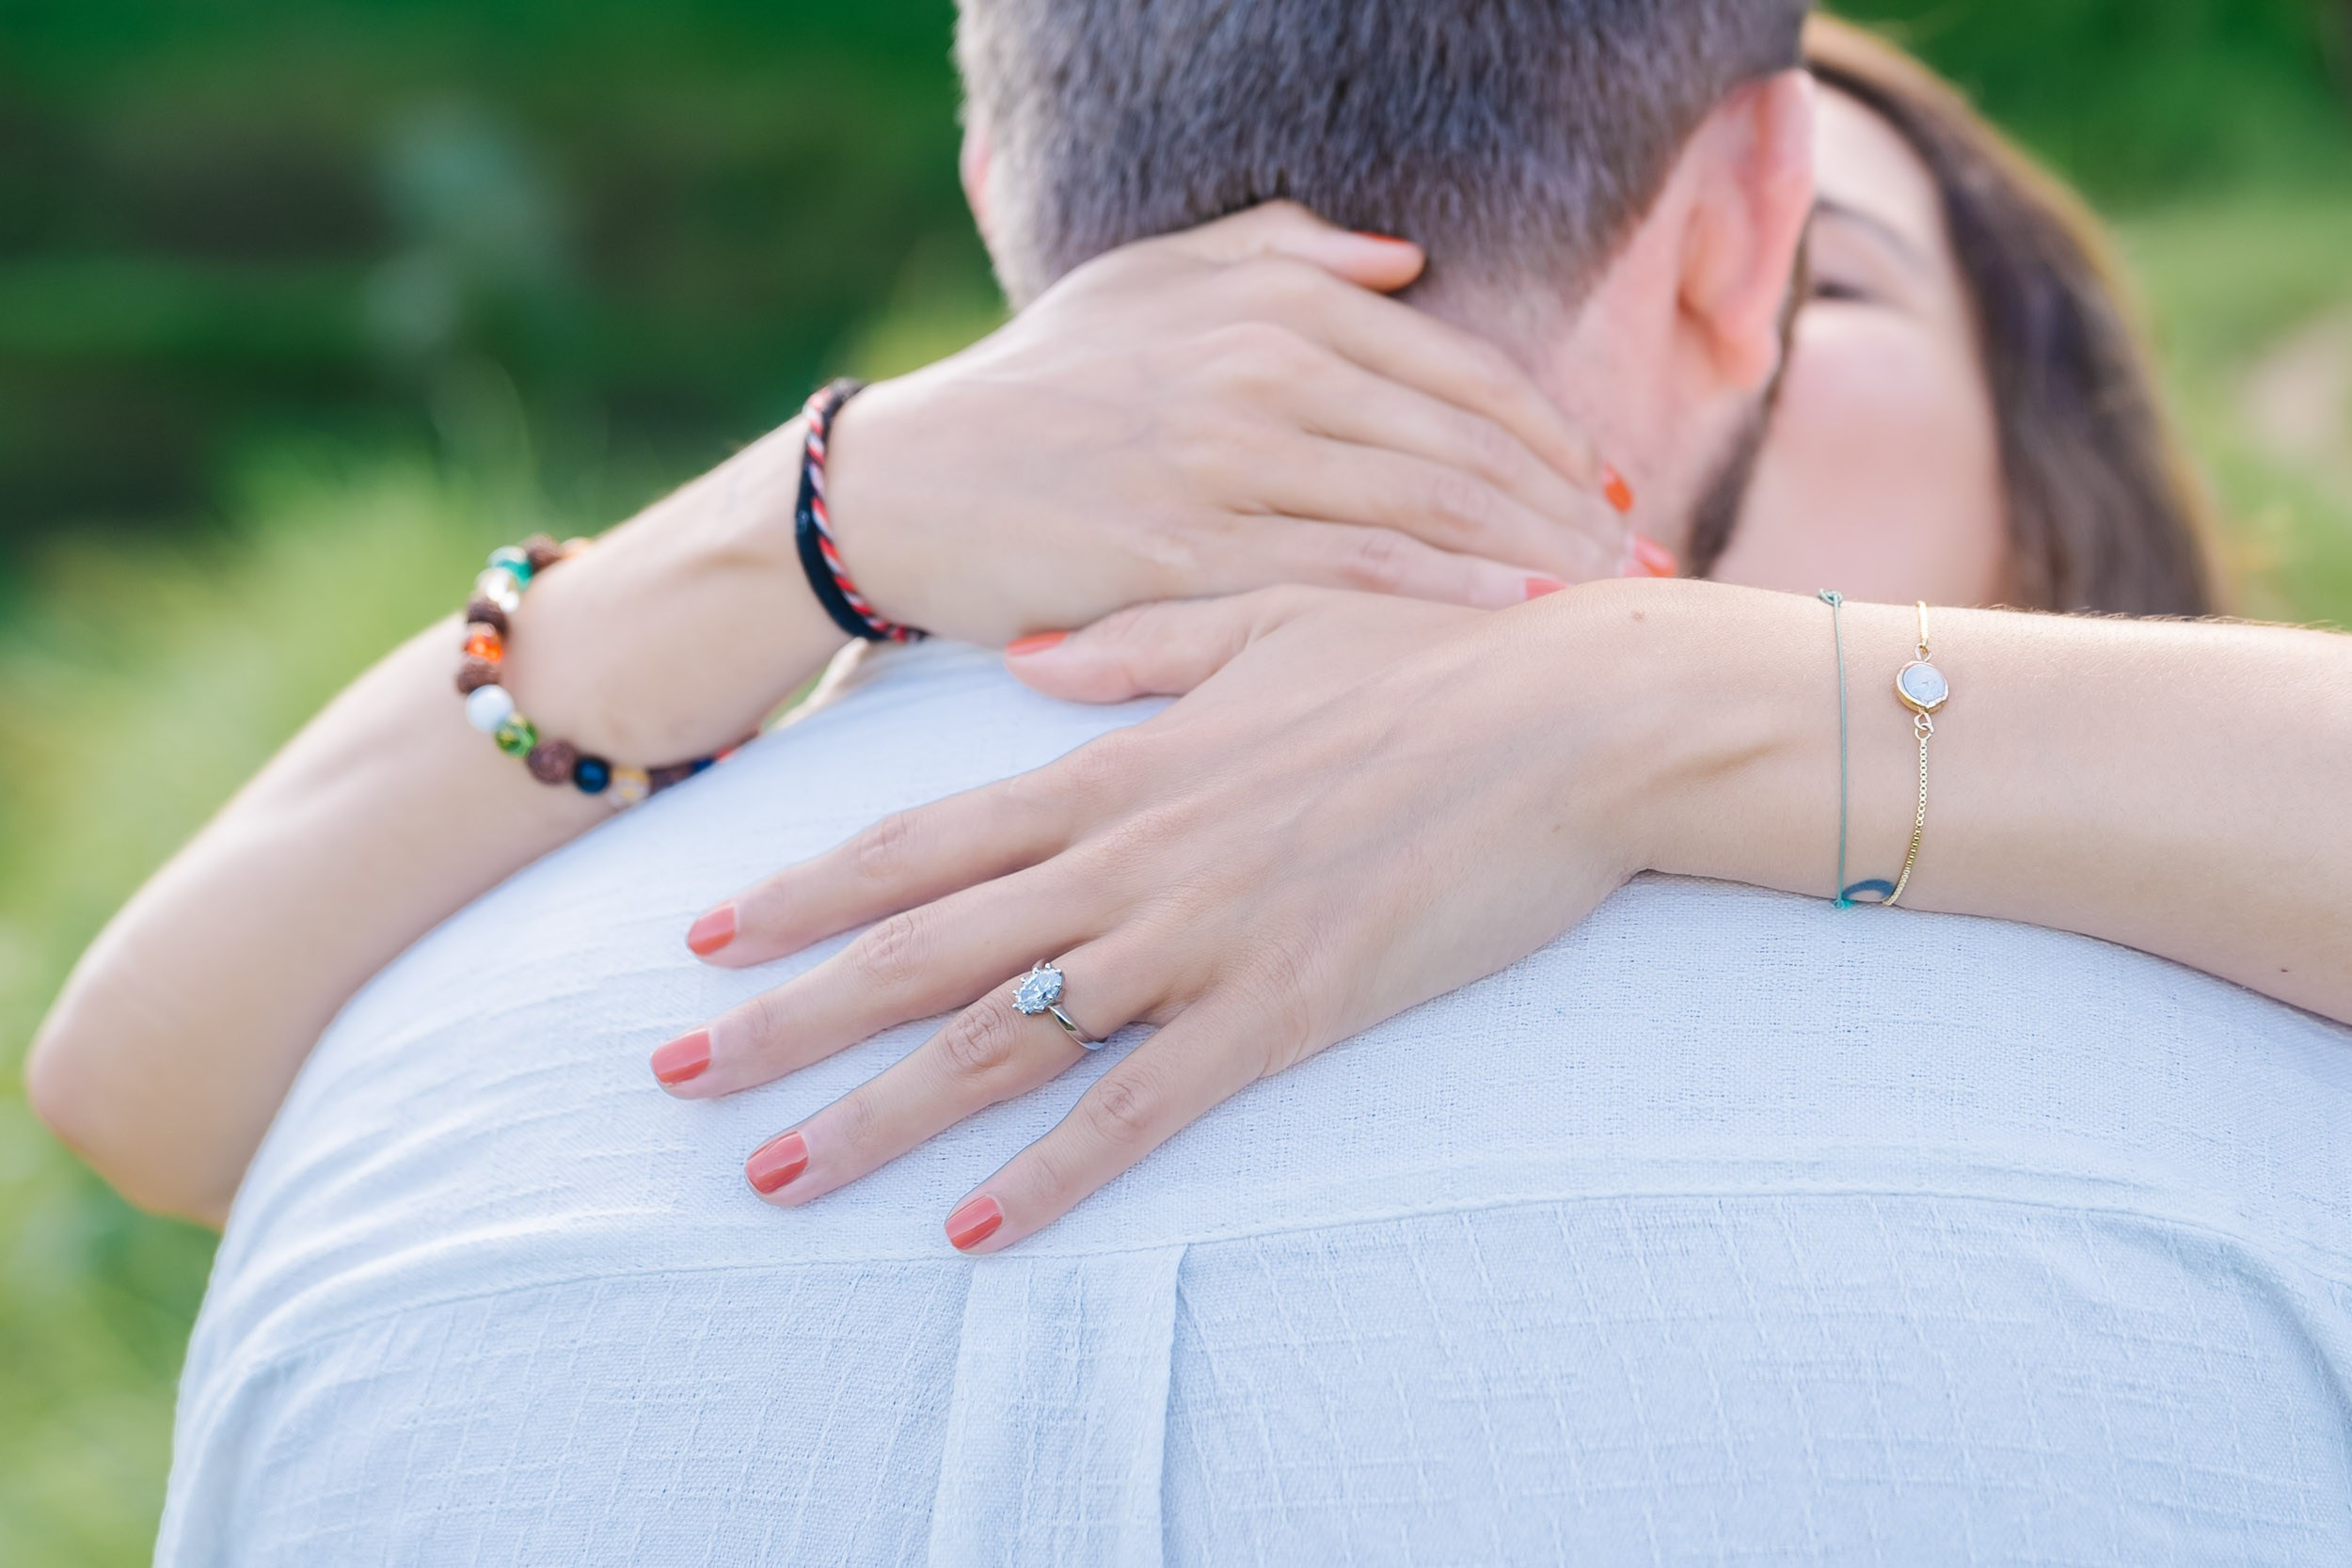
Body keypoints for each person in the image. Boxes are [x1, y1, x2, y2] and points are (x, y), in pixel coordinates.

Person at [29, 5, 2348, 1560]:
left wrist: (1654, 705)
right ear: (1722, 236)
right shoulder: (2228, 1129)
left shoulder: (418, 1124)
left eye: (1870, 292)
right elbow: (134, 1077)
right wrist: (814, 512)